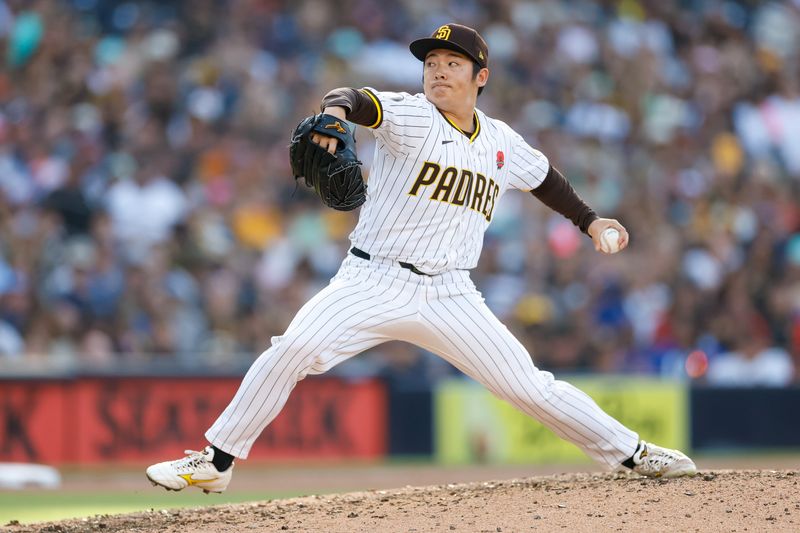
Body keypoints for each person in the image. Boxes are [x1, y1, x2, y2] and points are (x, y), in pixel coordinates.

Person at [145, 23, 696, 493]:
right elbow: (354, 97)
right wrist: (335, 115)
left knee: (529, 386)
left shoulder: (499, 141)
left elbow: (544, 179)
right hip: (373, 278)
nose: (438, 71)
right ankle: (215, 463)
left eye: (452, 62)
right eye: (431, 62)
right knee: (294, 348)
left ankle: (632, 453)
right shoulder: (413, 116)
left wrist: (590, 220)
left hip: (452, 293)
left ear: (481, 77)